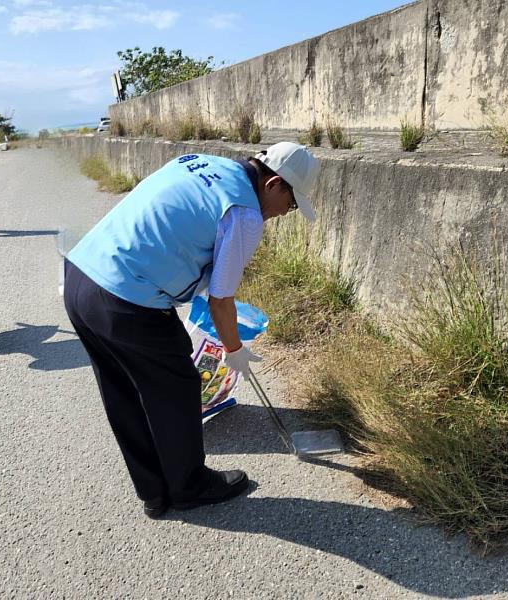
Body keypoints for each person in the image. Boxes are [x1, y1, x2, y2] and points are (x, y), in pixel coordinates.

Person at [64, 142, 320, 518]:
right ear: (274, 184)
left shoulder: (201, 162)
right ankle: (189, 487)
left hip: (80, 276)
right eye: (292, 203)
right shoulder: (244, 214)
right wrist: (234, 350)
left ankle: (154, 493)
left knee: (123, 391)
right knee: (178, 386)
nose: (286, 213)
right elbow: (221, 300)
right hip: (127, 298)